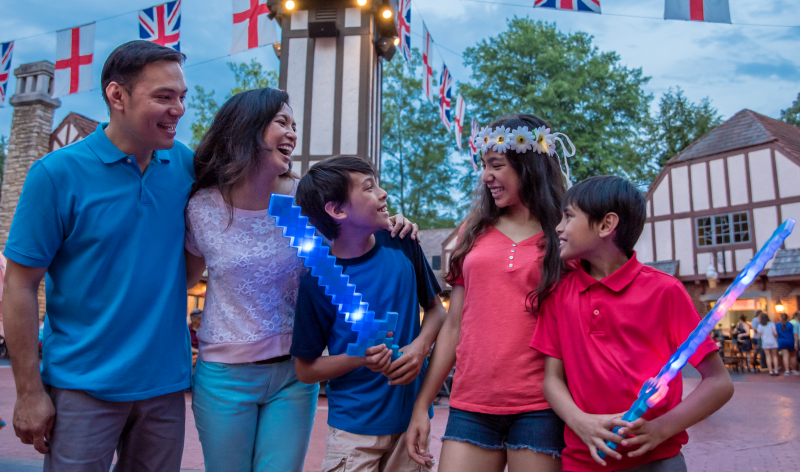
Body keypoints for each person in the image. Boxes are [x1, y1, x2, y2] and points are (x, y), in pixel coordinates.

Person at [184, 92, 420, 472]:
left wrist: (393, 226)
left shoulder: (305, 202)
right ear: (246, 128)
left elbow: (351, 239)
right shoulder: (202, 207)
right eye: (282, 122)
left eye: (294, 124)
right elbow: (183, 280)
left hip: (294, 377)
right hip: (224, 375)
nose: (292, 132)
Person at [3, 41, 193, 471]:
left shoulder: (185, 165)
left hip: (165, 388)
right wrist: (29, 392)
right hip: (81, 387)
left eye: (182, 97)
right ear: (117, 95)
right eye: (164, 96)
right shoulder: (56, 174)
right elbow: (19, 285)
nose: (178, 109)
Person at [531, 176, 734, 471]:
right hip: (583, 461)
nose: (558, 227)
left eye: (569, 216)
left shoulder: (665, 291)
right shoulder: (558, 296)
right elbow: (552, 380)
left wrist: (661, 428)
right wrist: (580, 422)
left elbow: (718, 382)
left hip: (659, 461)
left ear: (606, 225)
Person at [406, 115, 569, 472]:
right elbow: (453, 326)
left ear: (529, 166)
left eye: (496, 165)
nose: (485, 176)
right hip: (471, 403)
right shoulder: (473, 230)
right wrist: (422, 404)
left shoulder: (563, 233)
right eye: (484, 166)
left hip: (541, 406)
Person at [291, 155, 447, 472]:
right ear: (337, 210)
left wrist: (420, 348)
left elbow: (436, 311)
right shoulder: (317, 282)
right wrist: (359, 358)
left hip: (411, 424)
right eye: (369, 187)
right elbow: (305, 370)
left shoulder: (403, 243)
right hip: (352, 432)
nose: (383, 193)